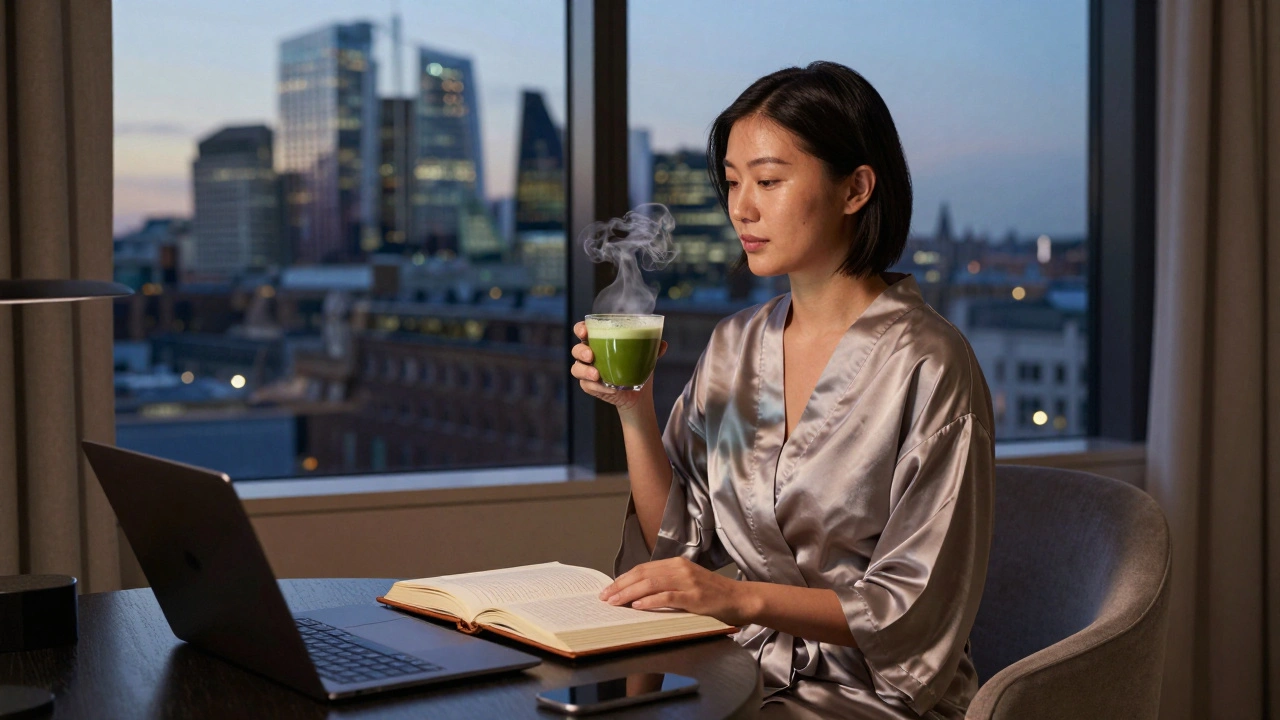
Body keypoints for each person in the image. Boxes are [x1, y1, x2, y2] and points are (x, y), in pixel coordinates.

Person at [571, 61, 995, 719]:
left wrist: (741, 600)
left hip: (870, 699)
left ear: (855, 189)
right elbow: (679, 541)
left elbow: (913, 609)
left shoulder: (931, 365)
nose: (742, 207)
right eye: (734, 182)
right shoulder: (735, 347)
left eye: (768, 180)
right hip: (737, 673)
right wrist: (634, 409)